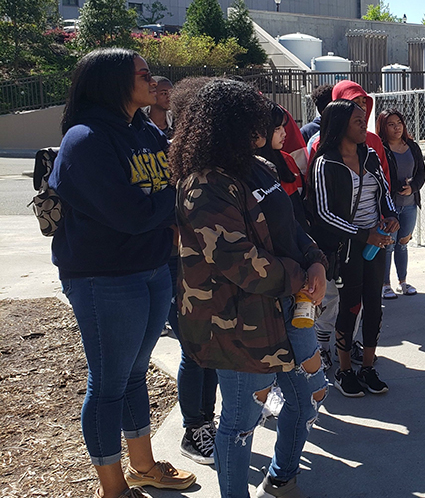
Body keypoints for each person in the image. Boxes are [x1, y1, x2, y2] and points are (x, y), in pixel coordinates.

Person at [171, 79, 329, 498]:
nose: (264, 123)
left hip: (285, 311)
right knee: (241, 422)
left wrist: (315, 259)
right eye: (251, 116)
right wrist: (300, 275)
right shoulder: (204, 185)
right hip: (236, 323)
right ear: (226, 123)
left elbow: (291, 226)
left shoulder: (259, 166)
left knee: (308, 396)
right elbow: (240, 263)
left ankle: (281, 478)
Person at [49, 48, 195, 498]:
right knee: (108, 382)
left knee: (132, 376)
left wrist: (166, 209)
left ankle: (144, 467)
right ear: (114, 82)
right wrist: (171, 208)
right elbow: (131, 213)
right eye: (144, 75)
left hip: (151, 269)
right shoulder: (86, 139)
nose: (154, 82)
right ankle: (113, 489)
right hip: (104, 277)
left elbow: (168, 186)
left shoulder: (145, 129)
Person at [308, 99, 399, 397]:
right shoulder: (325, 163)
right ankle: (344, 371)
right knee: (350, 306)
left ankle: (368, 367)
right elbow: (322, 213)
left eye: (364, 119)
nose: (365, 125)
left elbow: (384, 192)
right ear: (340, 125)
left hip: (375, 243)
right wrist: (363, 234)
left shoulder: (371, 155)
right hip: (347, 247)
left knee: (374, 305)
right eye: (358, 120)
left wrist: (391, 216)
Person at [162, 76, 219, 466]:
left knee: (209, 351)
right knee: (193, 350)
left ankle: (206, 421)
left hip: (207, 274)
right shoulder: (172, 159)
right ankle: (193, 427)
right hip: (178, 272)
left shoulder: (209, 160)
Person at [376, 109, 425, 299]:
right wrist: (398, 187)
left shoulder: (412, 146)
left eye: (399, 123)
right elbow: (381, 176)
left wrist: (413, 187)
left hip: (410, 203)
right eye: (391, 124)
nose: (397, 127)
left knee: (403, 243)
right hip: (390, 206)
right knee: (389, 244)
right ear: (383, 126)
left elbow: (422, 172)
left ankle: (402, 282)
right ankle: (385, 284)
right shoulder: (381, 148)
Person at [304, 80, 389, 180]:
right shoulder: (318, 144)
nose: (362, 106)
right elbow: (313, 184)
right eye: (355, 101)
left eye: (364, 102)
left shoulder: (373, 140)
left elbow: (385, 180)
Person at [257, 101, 310, 230]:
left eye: (283, 127)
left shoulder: (287, 159)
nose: (284, 133)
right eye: (277, 129)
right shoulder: (252, 166)